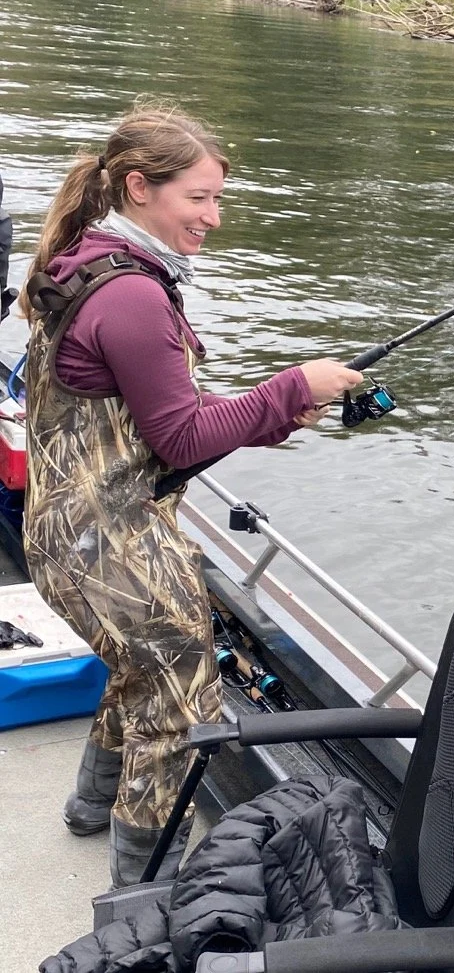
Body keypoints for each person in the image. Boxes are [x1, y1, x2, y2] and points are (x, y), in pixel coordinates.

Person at [18, 104, 364, 886]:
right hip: (113, 544)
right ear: (139, 187)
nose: (214, 216)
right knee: (178, 706)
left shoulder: (86, 260)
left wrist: (273, 417)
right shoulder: (135, 296)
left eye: (218, 199)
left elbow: (155, 418)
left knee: (140, 672)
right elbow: (178, 442)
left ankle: (88, 807)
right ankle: (145, 893)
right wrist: (288, 387)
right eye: (198, 198)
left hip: (63, 534)